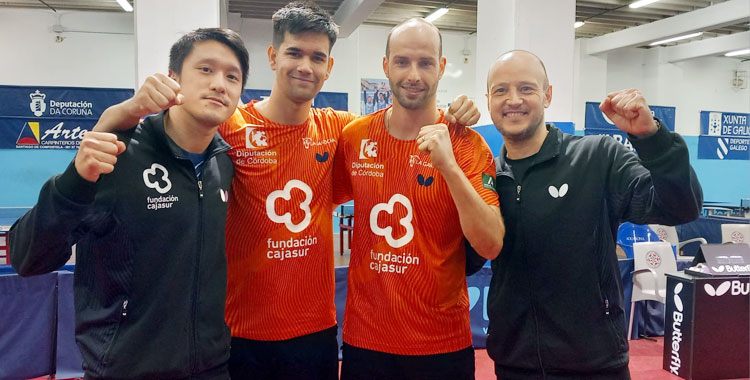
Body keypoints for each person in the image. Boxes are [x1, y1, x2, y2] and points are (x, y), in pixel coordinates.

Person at [90, 3, 480, 379]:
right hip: (240, 331)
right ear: (273, 56)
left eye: (317, 57)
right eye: (295, 53)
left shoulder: (341, 132)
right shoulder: (230, 126)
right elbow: (158, 131)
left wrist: (456, 112)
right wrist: (120, 112)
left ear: (329, 68)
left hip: (315, 334)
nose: (305, 66)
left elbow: (400, 128)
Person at [9, 28, 249, 379]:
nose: (219, 84)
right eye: (205, 69)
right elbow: (27, 257)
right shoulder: (118, 152)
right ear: (173, 79)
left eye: (232, 76)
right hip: (127, 368)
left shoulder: (224, 164)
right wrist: (75, 179)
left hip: (210, 367)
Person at [481, 50, 703, 379]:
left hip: (595, 365)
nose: (513, 100)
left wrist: (651, 138)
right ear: (488, 100)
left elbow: (679, 207)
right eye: (501, 90)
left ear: (548, 95)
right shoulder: (488, 178)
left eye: (526, 88)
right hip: (515, 365)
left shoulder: (597, 157)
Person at [332, 18, 505, 380]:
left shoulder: (467, 144)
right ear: (385, 66)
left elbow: (490, 244)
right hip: (367, 341)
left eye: (425, 62)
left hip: (442, 343)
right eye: (402, 61)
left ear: (441, 67)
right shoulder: (354, 137)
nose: (414, 74)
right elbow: (319, 202)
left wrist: (450, 168)